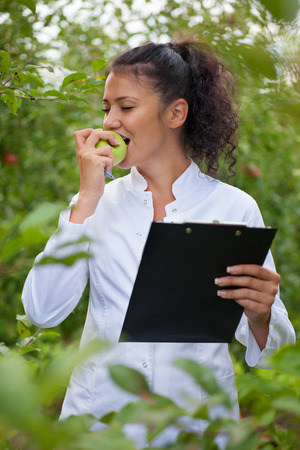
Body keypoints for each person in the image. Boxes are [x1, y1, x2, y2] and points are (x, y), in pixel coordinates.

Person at [22, 40, 295, 448]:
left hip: (197, 429)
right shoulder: (95, 204)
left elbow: (278, 353)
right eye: (106, 108)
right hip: (100, 429)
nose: (110, 121)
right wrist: (86, 201)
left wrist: (261, 314)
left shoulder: (233, 208)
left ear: (176, 113)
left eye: (126, 107)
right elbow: (41, 312)